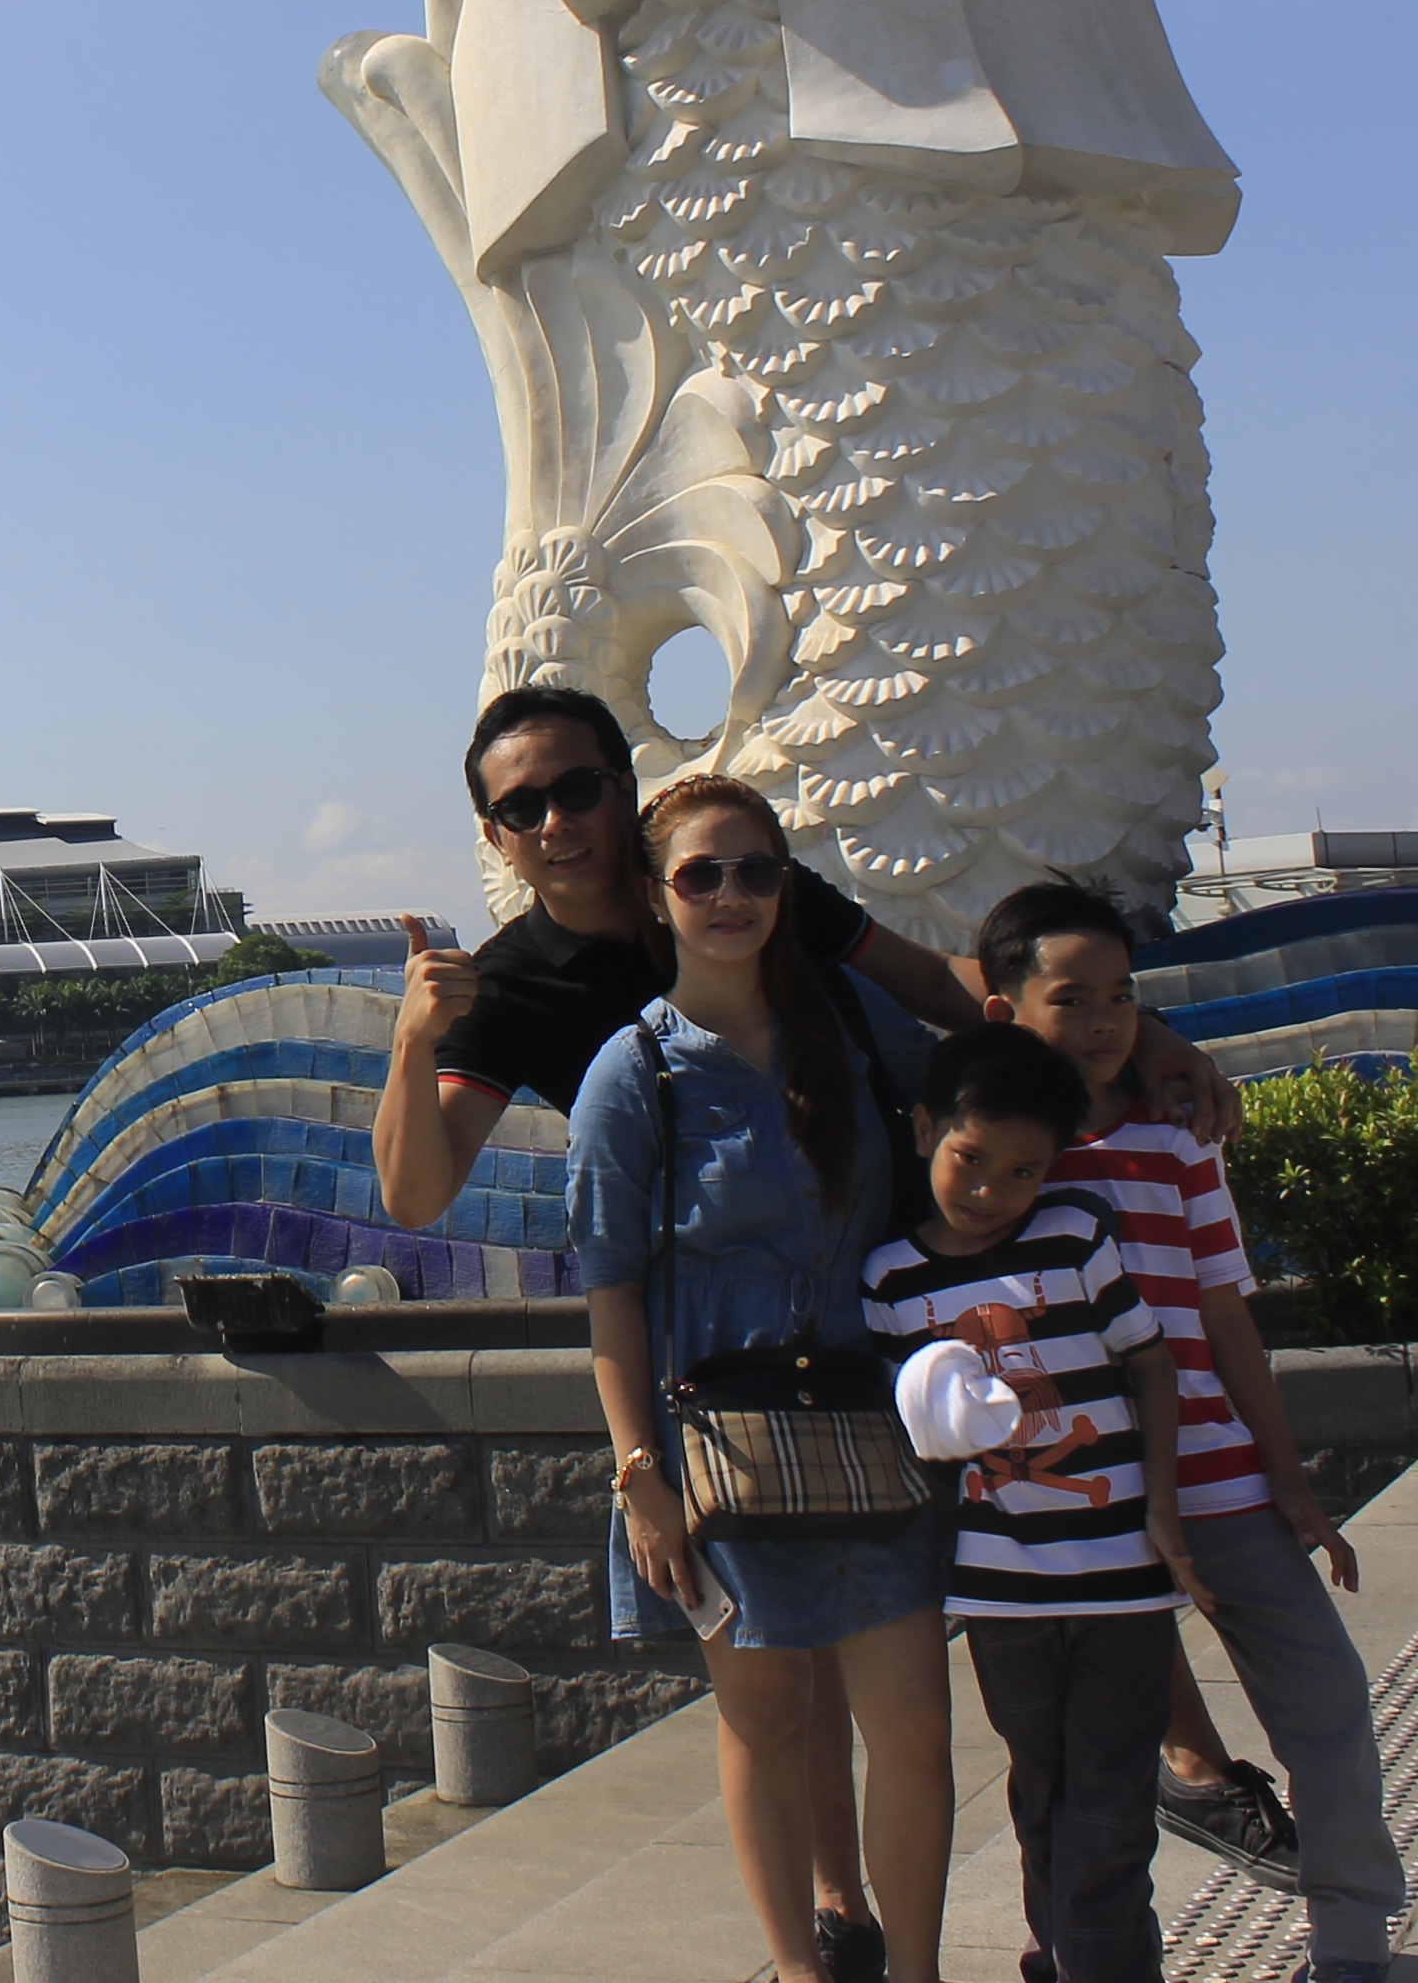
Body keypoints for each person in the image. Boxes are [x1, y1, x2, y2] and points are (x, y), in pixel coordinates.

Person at [376, 683, 1242, 1976]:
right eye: (522, 806)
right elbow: (435, 1200)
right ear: (496, 833)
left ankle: (1076, 1829)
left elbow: (953, 1001)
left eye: (579, 788)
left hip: (872, 1363)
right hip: (724, 1400)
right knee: (777, 1706)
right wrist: (413, 1036)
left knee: (926, 1686)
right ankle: (833, 1921)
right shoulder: (545, 1007)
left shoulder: (792, 939)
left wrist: (1132, 1030)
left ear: (626, 788)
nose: (556, 820)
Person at [570, 774, 959, 1983]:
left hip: (869, 1427)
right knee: (767, 1719)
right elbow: (610, 1291)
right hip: (719, 1453)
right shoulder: (634, 1071)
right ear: (656, 895)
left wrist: (1146, 1049)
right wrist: (640, 1479)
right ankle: (799, 1968)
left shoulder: (847, 1023)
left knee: (915, 1728)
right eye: (702, 873)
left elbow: (981, 1079)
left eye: (757, 870)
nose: (731, 894)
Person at [982, 878, 1407, 1983]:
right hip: (1079, 1499)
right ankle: (1077, 1950)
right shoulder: (999, 1168)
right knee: (1080, 1755)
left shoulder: (1177, 1143)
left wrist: (1288, 1478)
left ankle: (1352, 1936)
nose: (1105, 1021)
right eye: (1073, 999)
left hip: (1219, 1481)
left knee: (1324, 1700)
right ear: (1008, 1011)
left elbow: (1226, 1317)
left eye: (1123, 996)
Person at [863, 1024, 1204, 1983]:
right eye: (970, 1159)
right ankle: (1063, 1952)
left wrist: (1164, 1509)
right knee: (1043, 1786)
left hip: (1121, 1581)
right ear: (925, 1130)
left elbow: (1150, 1364)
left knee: (1112, 1792)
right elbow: (908, 1435)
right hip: (1000, 1593)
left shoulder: (1074, 1237)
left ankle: (1096, 1961)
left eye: (1024, 1172)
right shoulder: (889, 1282)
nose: (990, 1191)